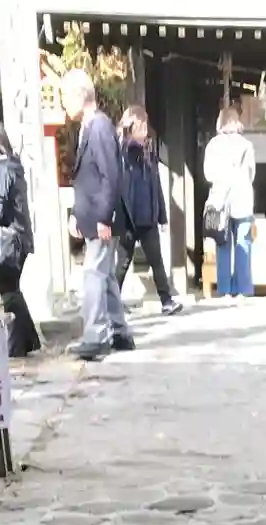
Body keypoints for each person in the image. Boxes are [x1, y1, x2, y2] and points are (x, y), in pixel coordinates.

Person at [63, 70, 130, 362]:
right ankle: (119, 332)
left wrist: (104, 217)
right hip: (93, 217)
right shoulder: (88, 128)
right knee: (105, 276)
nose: (64, 104)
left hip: (103, 219)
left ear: (80, 96)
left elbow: (110, 176)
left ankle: (96, 336)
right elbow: (87, 179)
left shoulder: (100, 127)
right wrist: (78, 216)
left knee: (93, 274)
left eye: (66, 97)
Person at [0, 122, 41, 357]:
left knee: (9, 293)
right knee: (12, 290)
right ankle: (28, 340)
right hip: (19, 238)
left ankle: (16, 346)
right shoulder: (13, 165)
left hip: (7, 242)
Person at [116, 106, 182, 313]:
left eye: (145, 126)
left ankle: (166, 300)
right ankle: (113, 303)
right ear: (131, 126)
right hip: (128, 217)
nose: (144, 130)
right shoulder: (121, 151)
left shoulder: (149, 151)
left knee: (157, 261)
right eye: (140, 126)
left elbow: (156, 185)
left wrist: (161, 215)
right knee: (122, 264)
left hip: (147, 216)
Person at [202, 106, 257, 299]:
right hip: (243, 200)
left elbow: (208, 174)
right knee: (244, 244)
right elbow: (251, 174)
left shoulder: (213, 145)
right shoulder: (246, 145)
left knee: (223, 245)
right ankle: (243, 289)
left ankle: (225, 289)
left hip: (221, 203)